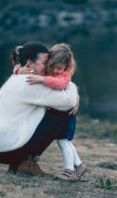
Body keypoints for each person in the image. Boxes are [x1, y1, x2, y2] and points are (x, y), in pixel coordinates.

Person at [0, 42, 78, 177]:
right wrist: (73, 89)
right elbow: (68, 102)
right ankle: (27, 164)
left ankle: (21, 164)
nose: (49, 67)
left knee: (51, 112)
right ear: (29, 64)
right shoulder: (30, 82)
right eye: (45, 62)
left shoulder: (17, 78)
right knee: (60, 115)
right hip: (5, 149)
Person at [14, 43, 87, 181]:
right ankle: (79, 165)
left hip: (66, 115)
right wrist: (19, 70)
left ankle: (70, 170)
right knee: (65, 142)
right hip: (57, 114)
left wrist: (42, 79)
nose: (55, 71)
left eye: (59, 68)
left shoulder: (64, 76)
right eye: (52, 66)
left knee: (63, 142)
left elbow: (60, 84)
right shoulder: (49, 71)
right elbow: (26, 68)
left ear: (67, 67)